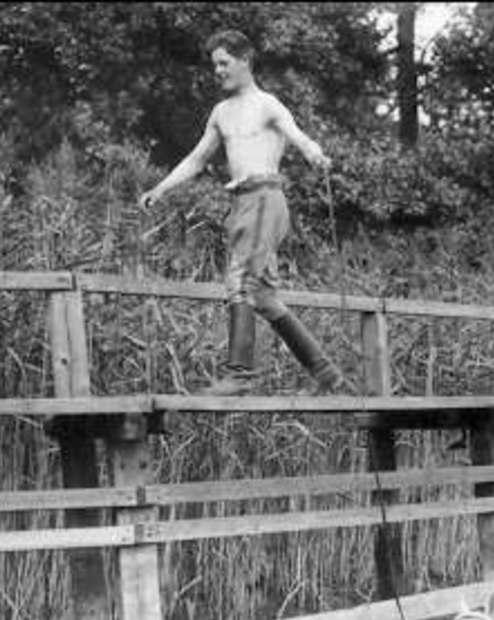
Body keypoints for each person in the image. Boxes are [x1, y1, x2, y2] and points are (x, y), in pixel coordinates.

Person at [139, 29, 342, 395]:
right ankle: (324, 371)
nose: (218, 71)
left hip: (265, 197)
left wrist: (315, 155)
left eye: (224, 63)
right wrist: (160, 188)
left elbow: (297, 135)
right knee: (262, 297)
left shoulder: (267, 104)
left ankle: (239, 375)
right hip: (242, 205)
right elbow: (197, 159)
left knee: (239, 283)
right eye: (215, 65)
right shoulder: (221, 112)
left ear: (245, 61)